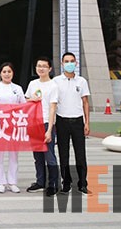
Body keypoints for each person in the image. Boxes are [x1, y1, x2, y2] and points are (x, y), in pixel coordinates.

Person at [54, 52, 91, 195]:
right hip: (61, 121)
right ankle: (66, 183)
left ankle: (82, 183)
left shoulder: (81, 81)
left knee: (80, 154)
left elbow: (85, 102)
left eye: (72, 61)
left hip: (77, 121)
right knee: (63, 154)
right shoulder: (56, 81)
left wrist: (87, 123)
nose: (69, 64)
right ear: (62, 64)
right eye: (66, 61)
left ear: (76, 63)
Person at [0, 62, 26, 193]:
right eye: (4, 72)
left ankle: (12, 182)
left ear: (13, 73)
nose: (7, 74)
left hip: (13, 125)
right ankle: (1, 182)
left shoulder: (18, 88)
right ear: (0, 73)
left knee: (14, 155)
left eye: (9, 71)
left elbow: (23, 106)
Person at [24, 56, 59, 196]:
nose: (41, 68)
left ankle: (53, 184)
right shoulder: (33, 84)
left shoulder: (53, 85)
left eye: (44, 66)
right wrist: (31, 99)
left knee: (49, 155)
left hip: (45, 123)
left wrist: (49, 130)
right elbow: (26, 100)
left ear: (50, 69)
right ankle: (40, 181)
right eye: (39, 66)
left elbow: (52, 108)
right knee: (37, 155)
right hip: (34, 123)